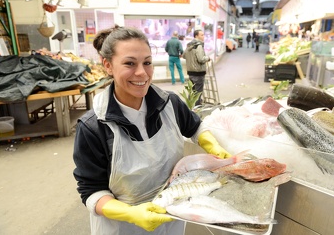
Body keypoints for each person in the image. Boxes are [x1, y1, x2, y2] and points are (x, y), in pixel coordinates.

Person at [73, 26, 231, 235]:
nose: (141, 73)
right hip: (123, 227)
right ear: (108, 65)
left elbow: (195, 126)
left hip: (172, 214)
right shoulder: (93, 127)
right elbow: (92, 191)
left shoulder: (169, 104)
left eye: (147, 63)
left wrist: (214, 146)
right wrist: (131, 214)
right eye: (130, 63)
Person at [183, 29, 210, 106]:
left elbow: (184, 55)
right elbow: (201, 59)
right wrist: (207, 58)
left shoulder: (189, 45)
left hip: (191, 72)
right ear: (196, 36)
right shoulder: (198, 45)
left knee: (192, 92)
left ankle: (189, 108)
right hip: (198, 72)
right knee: (198, 93)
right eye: (201, 35)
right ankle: (196, 110)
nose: (203, 36)